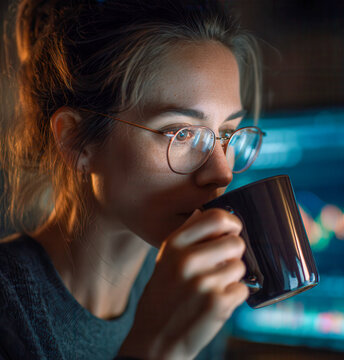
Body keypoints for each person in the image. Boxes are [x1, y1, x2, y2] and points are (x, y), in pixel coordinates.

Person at [0, 0, 264, 358]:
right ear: (76, 141)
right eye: (181, 134)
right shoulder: (12, 310)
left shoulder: (196, 290)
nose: (222, 172)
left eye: (228, 132)